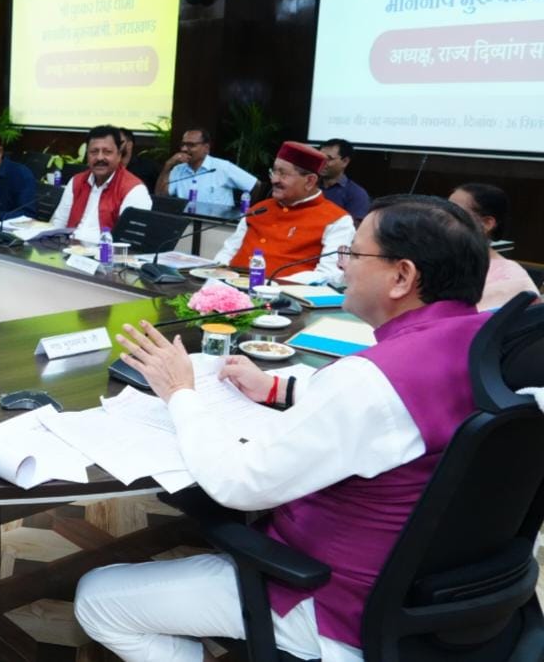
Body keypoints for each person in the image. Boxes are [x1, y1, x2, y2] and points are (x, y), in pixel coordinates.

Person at [76, 194, 494, 662]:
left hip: (332, 599)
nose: (342, 264)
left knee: (98, 598)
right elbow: (384, 414)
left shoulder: (370, 382)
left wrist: (179, 391)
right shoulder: (485, 344)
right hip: (434, 593)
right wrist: (278, 388)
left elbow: (240, 483)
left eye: (354, 252)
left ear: (402, 276)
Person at [214, 141, 354, 284]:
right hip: (228, 287)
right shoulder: (259, 209)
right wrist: (216, 279)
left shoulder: (337, 220)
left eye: (283, 174)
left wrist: (271, 286)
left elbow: (329, 274)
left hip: (282, 294)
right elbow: (228, 251)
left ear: (310, 181)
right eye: (274, 171)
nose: (274, 179)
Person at [50, 125, 152, 241]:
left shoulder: (134, 190)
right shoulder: (76, 181)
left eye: (107, 152)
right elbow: (58, 224)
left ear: (119, 155)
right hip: (67, 247)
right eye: (94, 152)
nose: (99, 158)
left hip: (104, 251)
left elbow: (128, 241)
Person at [447, 183, 540, 311]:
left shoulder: (512, 279)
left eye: (454, 212)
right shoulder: (436, 259)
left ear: (487, 223)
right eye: (444, 209)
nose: (442, 217)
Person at [156, 128, 258, 206]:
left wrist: (245, 213)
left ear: (206, 148)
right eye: (183, 144)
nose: (184, 149)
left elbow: (256, 185)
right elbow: (160, 196)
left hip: (217, 224)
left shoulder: (222, 167)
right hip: (186, 222)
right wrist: (168, 165)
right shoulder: (178, 169)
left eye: (191, 145)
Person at [319, 138, 370, 222]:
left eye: (329, 159)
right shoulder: (309, 185)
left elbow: (355, 227)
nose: (322, 162)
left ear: (345, 161)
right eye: (320, 157)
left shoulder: (356, 194)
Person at [118, 126, 160, 190]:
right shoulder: (109, 167)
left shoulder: (148, 166)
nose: (115, 145)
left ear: (129, 145)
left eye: (119, 142)